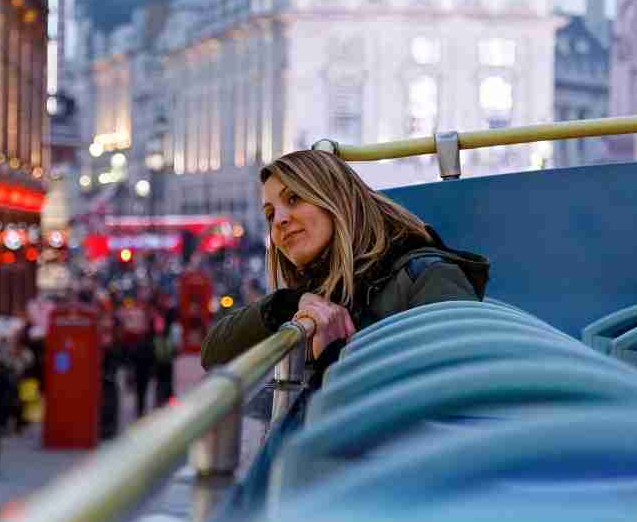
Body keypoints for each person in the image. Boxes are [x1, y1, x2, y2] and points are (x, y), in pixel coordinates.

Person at [201, 150, 490, 377]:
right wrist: (284, 305)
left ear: (336, 198)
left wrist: (334, 356)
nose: (279, 220)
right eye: (269, 214)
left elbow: (459, 395)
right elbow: (214, 354)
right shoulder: (320, 292)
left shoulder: (427, 277)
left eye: (294, 198)